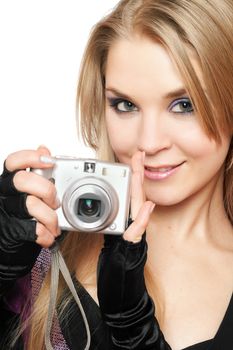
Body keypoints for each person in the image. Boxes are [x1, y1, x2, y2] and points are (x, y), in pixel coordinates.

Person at [0, 0, 233, 349]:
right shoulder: (43, 251)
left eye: (184, 105)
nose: (149, 142)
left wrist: (133, 331)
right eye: (125, 104)